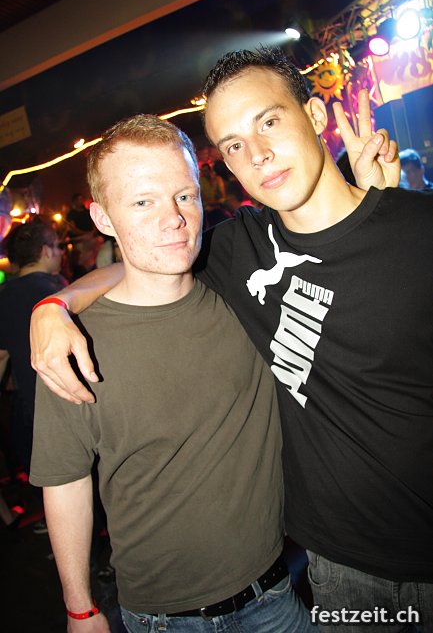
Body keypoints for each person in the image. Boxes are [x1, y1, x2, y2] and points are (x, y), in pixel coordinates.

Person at [29, 47, 429, 631]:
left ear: (315, 115)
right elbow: (153, 258)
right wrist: (52, 304)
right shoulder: (237, 251)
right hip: (338, 568)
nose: (257, 152)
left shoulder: (415, 233)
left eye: (269, 121)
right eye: (234, 145)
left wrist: (380, 207)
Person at [29, 114, 315, 632]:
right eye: (143, 202)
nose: (175, 219)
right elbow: (66, 482)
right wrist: (79, 606)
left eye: (185, 196)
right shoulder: (72, 345)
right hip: (163, 618)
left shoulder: (242, 293)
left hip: (276, 592)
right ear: (103, 218)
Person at [0, 221, 66, 533]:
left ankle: (60, 529)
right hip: (68, 404)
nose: (61, 253)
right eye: (58, 246)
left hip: (32, 407)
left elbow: (2, 356)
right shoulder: (60, 291)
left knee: (52, 480)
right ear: (44, 251)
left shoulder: (5, 295)